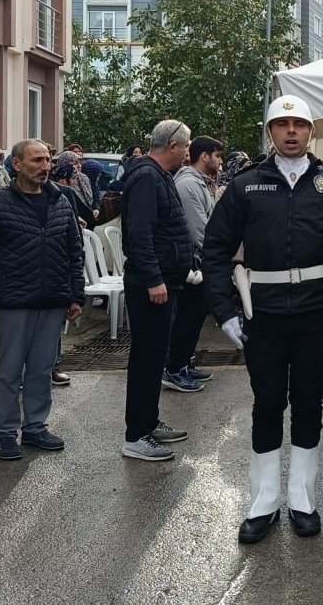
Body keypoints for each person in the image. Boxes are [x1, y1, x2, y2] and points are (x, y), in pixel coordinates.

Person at [203, 95, 323, 542]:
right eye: (283, 124)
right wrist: (223, 310)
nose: (292, 131)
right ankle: (264, 499)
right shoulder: (245, 186)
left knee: (308, 401)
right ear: (271, 132)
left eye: (300, 124)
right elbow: (215, 249)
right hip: (264, 315)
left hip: (317, 313)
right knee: (266, 403)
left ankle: (302, 495)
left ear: (311, 131)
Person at [0, 140, 84, 461]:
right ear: (16, 164)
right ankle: (4, 432)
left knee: (42, 369)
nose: (45, 166)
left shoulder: (62, 201)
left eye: (47, 160)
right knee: (10, 371)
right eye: (37, 160)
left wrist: (76, 295)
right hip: (13, 302)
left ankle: (34, 427)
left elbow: (75, 251)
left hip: (53, 301)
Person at [119, 121, 195, 462]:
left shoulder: (157, 174)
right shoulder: (147, 176)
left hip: (165, 280)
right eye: (188, 145)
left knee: (154, 357)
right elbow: (139, 234)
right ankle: (136, 435)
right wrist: (153, 279)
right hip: (151, 285)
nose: (190, 152)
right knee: (147, 359)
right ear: (174, 145)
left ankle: (148, 422)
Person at [164, 136, 223, 393]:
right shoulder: (188, 184)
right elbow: (199, 230)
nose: (220, 162)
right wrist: (219, 253)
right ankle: (174, 368)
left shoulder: (198, 182)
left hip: (199, 260)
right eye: (218, 156)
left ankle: (184, 362)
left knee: (195, 315)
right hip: (192, 262)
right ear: (205, 156)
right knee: (188, 316)